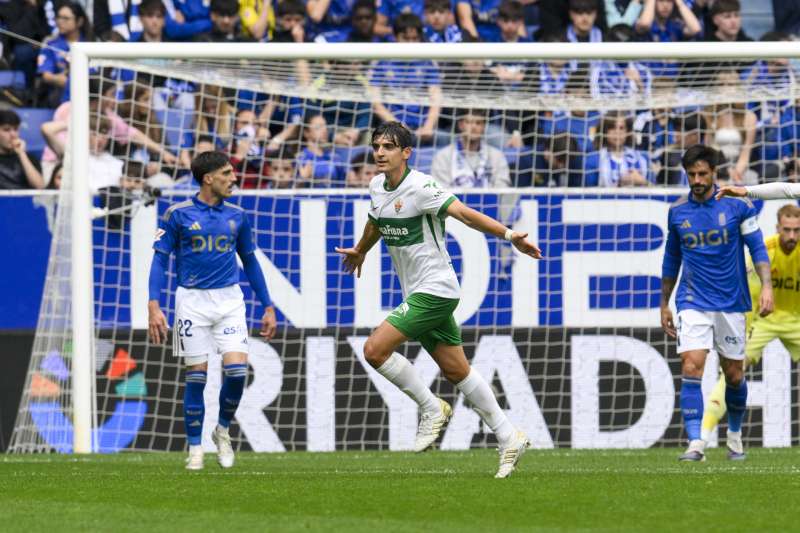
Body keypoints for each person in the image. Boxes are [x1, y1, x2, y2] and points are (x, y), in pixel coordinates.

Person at [335, 122, 541, 478]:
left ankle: (431, 407)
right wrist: (361, 249)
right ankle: (509, 436)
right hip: (417, 291)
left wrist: (510, 236)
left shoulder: (421, 187)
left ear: (406, 153)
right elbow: (376, 221)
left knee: (374, 350)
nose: (380, 152)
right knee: (457, 371)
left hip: (436, 289)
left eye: (388, 146)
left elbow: (464, 214)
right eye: (376, 146)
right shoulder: (376, 186)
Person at [147, 151, 277, 470]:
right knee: (197, 377)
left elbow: (250, 260)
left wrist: (268, 305)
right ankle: (195, 448)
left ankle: (222, 430)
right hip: (192, 302)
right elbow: (160, 260)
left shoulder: (237, 215)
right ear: (208, 179)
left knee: (237, 372)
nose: (234, 179)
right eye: (227, 174)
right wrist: (153, 304)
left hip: (229, 300)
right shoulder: (177, 214)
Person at [660, 144, 773, 462]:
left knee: (734, 374)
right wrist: (664, 303)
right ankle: (696, 442)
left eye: (702, 174)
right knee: (691, 365)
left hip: (731, 302)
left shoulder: (738, 207)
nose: (697, 180)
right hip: (692, 299)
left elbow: (757, 248)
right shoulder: (677, 212)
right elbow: (671, 259)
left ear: (714, 173)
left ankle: (734, 435)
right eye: (691, 175)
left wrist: (766, 286)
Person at [700, 204, 800, 451]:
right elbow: (751, 294)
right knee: (734, 370)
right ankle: (701, 437)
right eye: (787, 230)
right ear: (778, 228)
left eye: (797, 230)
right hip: (762, 319)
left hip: (796, 320)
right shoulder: (765, 251)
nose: (792, 236)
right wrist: (743, 331)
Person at [370, 14, 443, 146]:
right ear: (395, 37)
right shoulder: (382, 62)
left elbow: (436, 98)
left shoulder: (427, 62)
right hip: (390, 129)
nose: (410, 43)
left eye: (414, 39)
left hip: (422, 129)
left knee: (446, 139)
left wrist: (428, 126)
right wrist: (397, 126)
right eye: (405, 38)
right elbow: (376, 103)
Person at [431, 108, 511, 188]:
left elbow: (502, 188)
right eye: (469, 122)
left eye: (478, 123)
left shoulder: (496, 156)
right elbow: (440, 190)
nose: (473, 127)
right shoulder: (443, 156)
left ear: (484, 127)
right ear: (460, 125)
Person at [37, 1, 94, 107]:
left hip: (89, 92)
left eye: (66, 18)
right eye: (58, 17)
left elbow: (96, 74)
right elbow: (46, 75)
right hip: (59, 94)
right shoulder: (50, 43)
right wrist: (59, 79)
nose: (60, 21)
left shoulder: (91, 44)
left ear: (79, 21)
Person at [596, 112, 651, 187]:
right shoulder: (595, 159)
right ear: (604, 131)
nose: (617, 132)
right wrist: (619, 185)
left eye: (621, 128)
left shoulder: (643, 158)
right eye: (612, 128)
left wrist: (643, 182)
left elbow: (658, 189)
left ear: (627, 132)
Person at [0, 109, 44, 189]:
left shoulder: (29, 158)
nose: (13, 134)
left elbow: (40, 187)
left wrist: (22, 153)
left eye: (16, 129)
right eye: (6, 130)